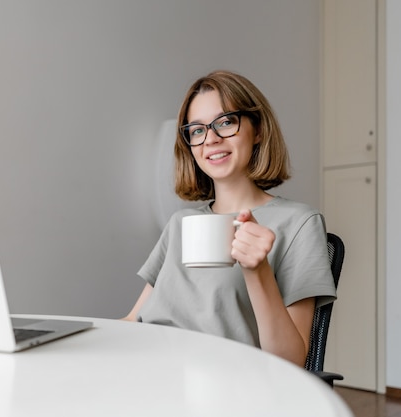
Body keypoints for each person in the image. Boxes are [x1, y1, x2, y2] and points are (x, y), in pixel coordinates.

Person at [122, 70, 336, 367]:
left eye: (225, 122)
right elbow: (134, 320)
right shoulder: (180, 223)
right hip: (148, 368)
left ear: (258, 129)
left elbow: (291, 362)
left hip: (219, 384)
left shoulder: (298, 222)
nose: (210, 139)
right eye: (197, 130)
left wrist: (257, 270)